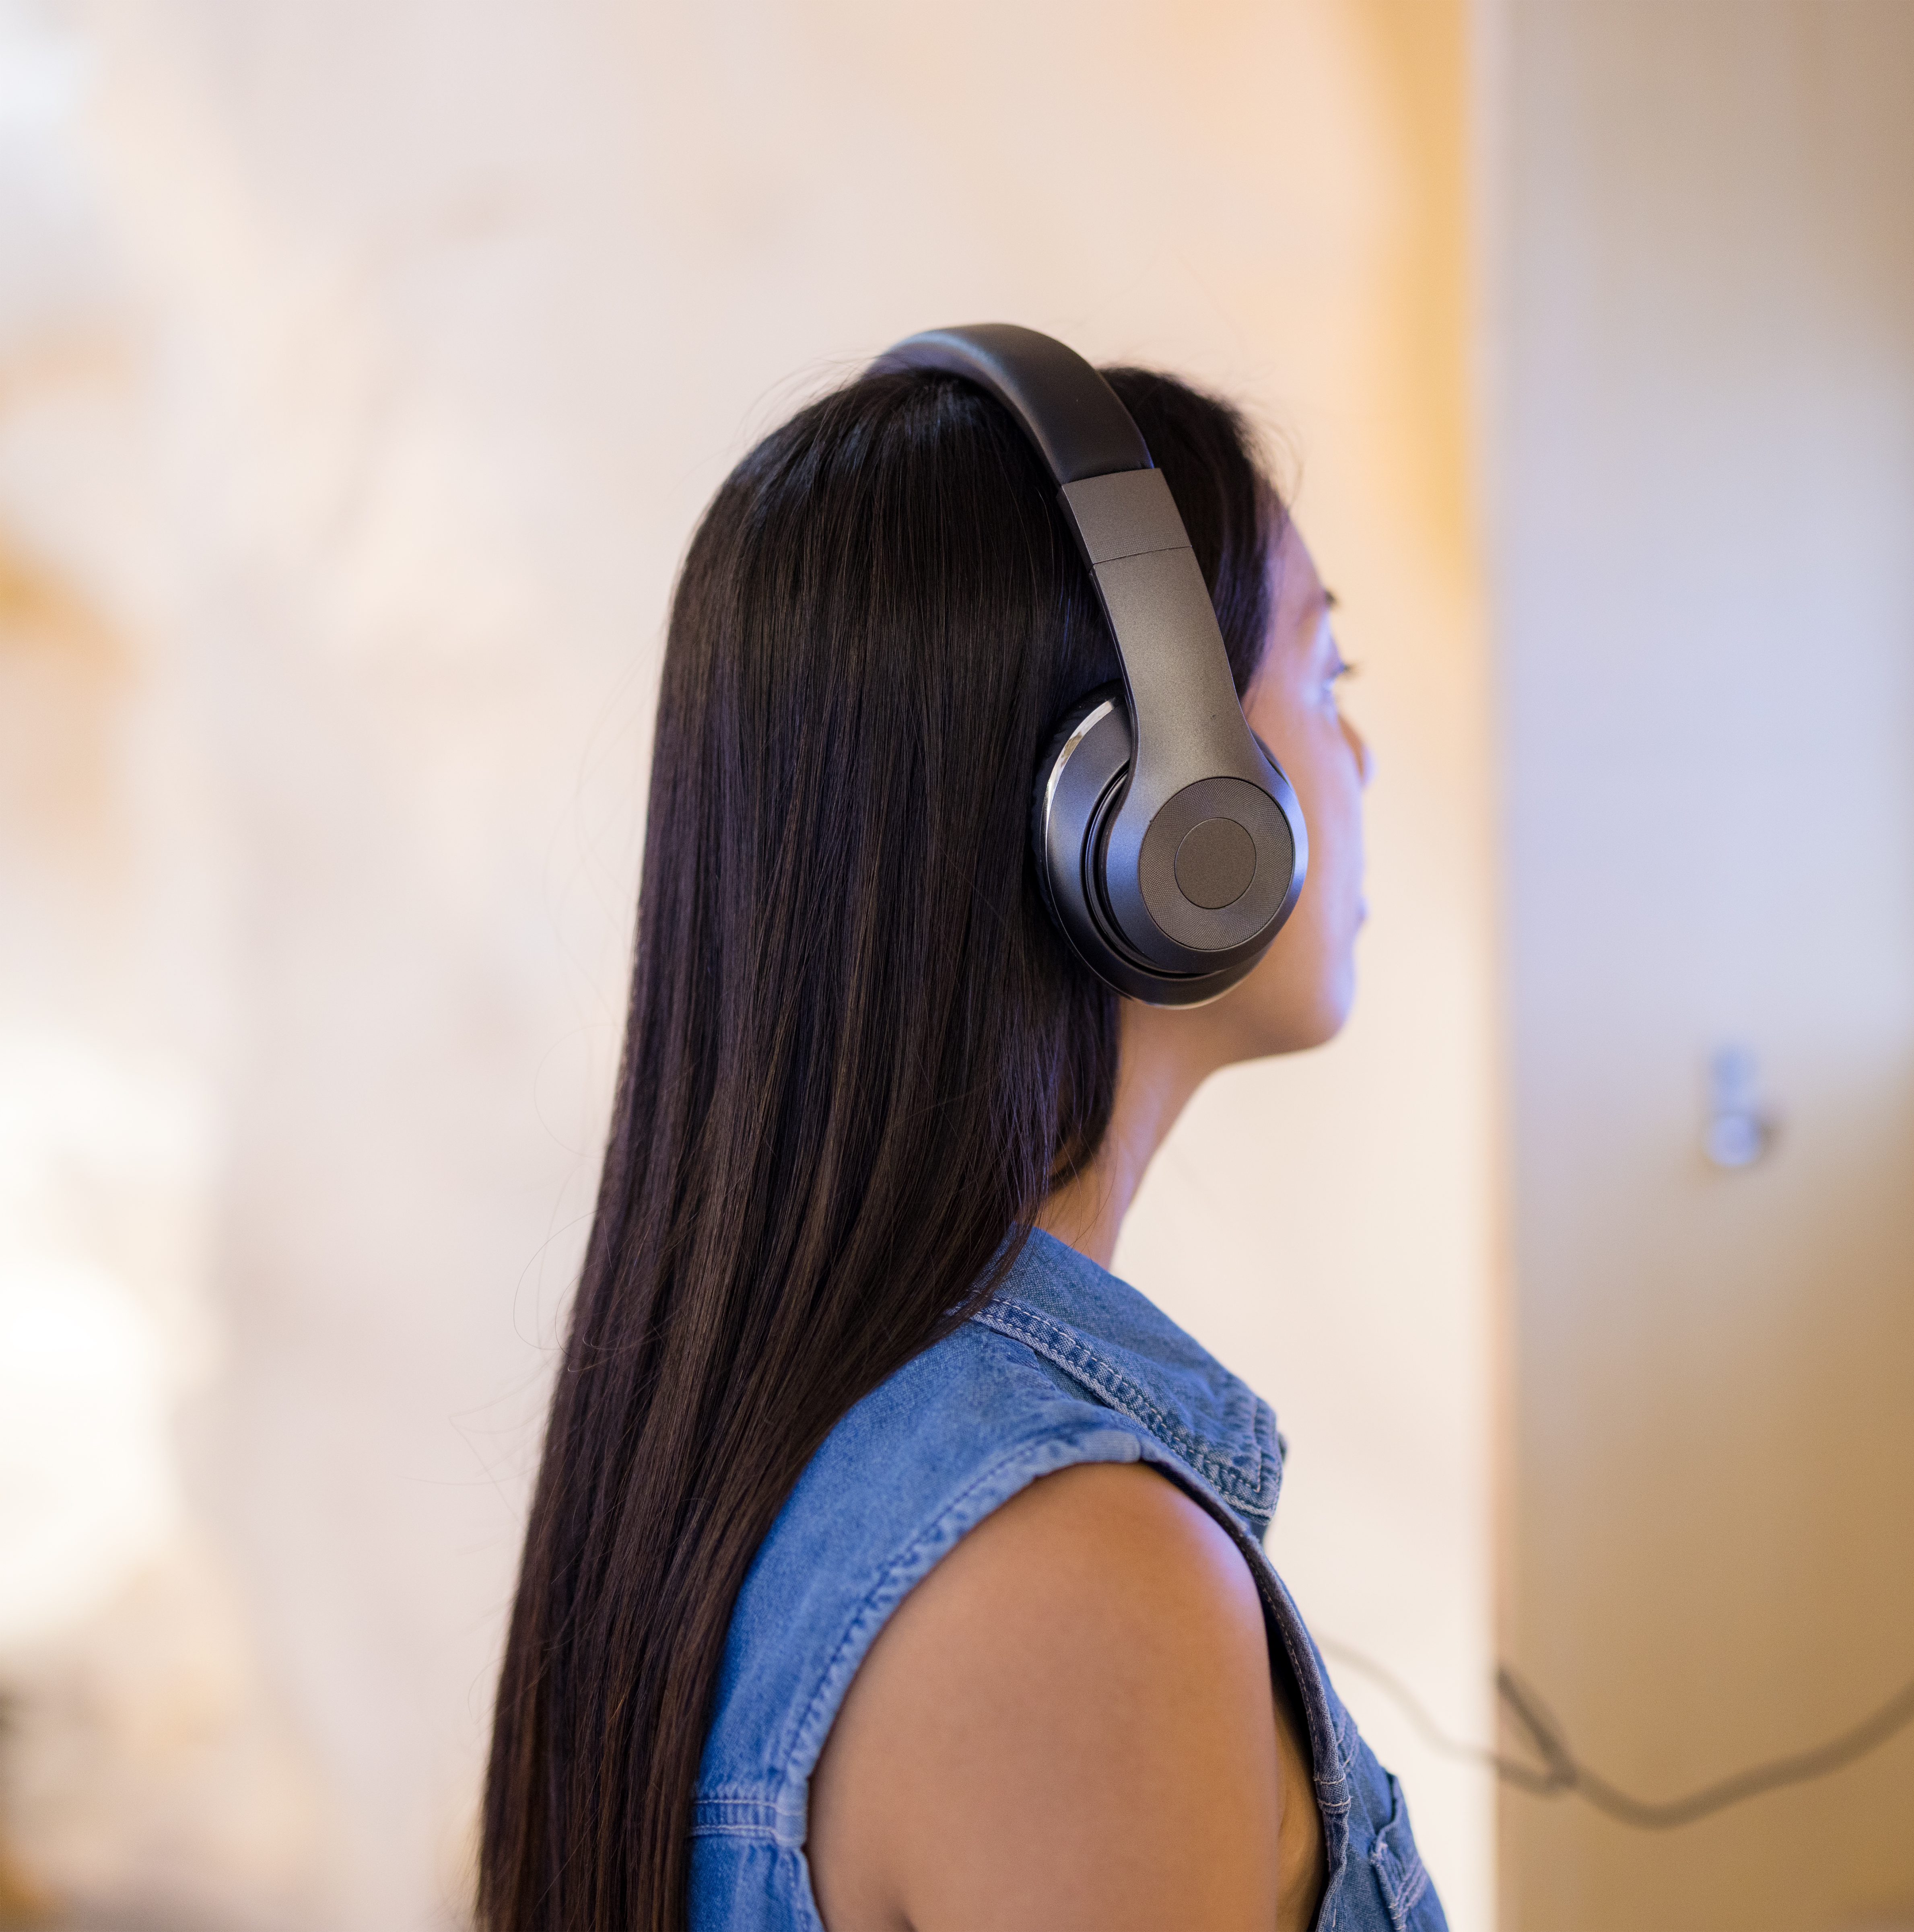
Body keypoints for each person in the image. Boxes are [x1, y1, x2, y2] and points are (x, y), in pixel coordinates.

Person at [478, 349, 1439, 1932]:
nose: (1361, 756)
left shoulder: (762, 1441)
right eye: (1326, 681)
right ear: (1178, 812)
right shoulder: (1075, 1589)